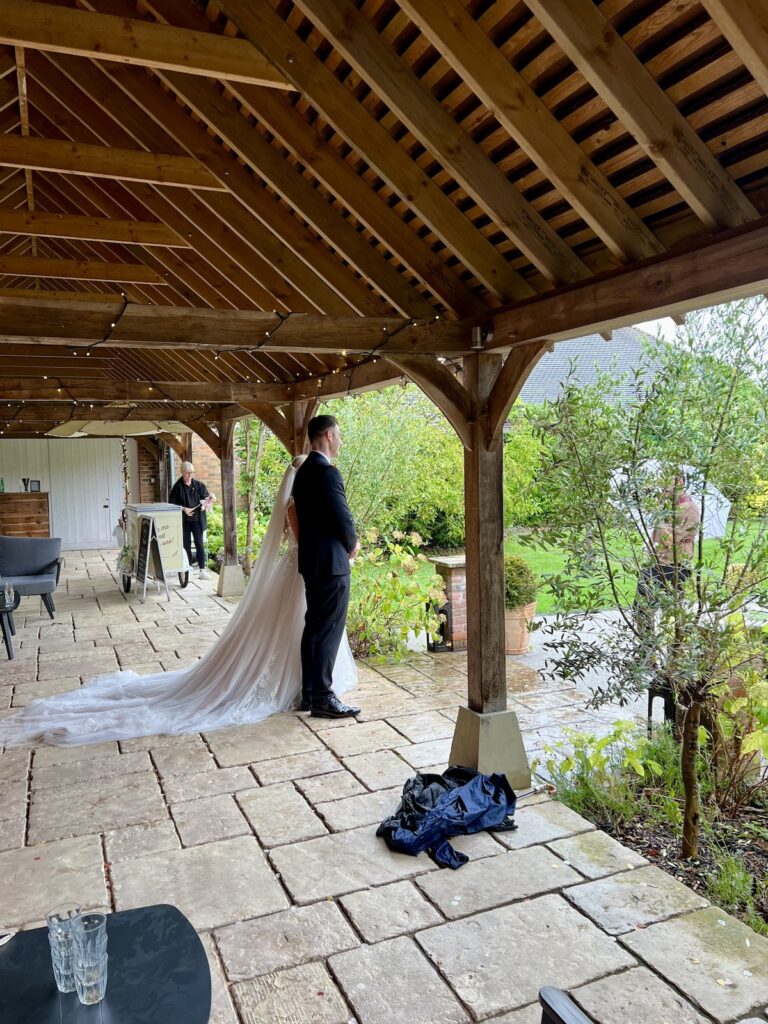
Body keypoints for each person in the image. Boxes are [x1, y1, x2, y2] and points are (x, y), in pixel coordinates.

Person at [0, 457, 357, 747]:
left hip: (300, 566)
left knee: (304, 627)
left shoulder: (298, 499)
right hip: (311, 565)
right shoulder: (307, 497)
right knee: (311, 626)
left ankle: (310, 687)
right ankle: (312, 689)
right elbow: (301, 533)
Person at [292, 415, 361, 719]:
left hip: (311, 562)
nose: (342, 441)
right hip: (332, 565)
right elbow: (342, 517)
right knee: (329, 630)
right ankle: (323, 697)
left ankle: (310, 693)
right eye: (340, 435)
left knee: (314, 628)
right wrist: (353, 543)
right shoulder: (327, 474)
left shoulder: (303, 472)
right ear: (329, 436)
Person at [169, 461, 213, 580]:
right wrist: (184, 509)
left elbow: (206, 498)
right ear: (182, 473)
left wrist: (209, 499)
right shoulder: (177, 487)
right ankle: (187, 569)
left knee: (199, 544)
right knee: (186, 545)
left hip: (197, 520)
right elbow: (172, 504)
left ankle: (202, 570)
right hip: (184, 521)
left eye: (192, 473)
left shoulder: (199, 485)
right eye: (188, 473)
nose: (190, 475)